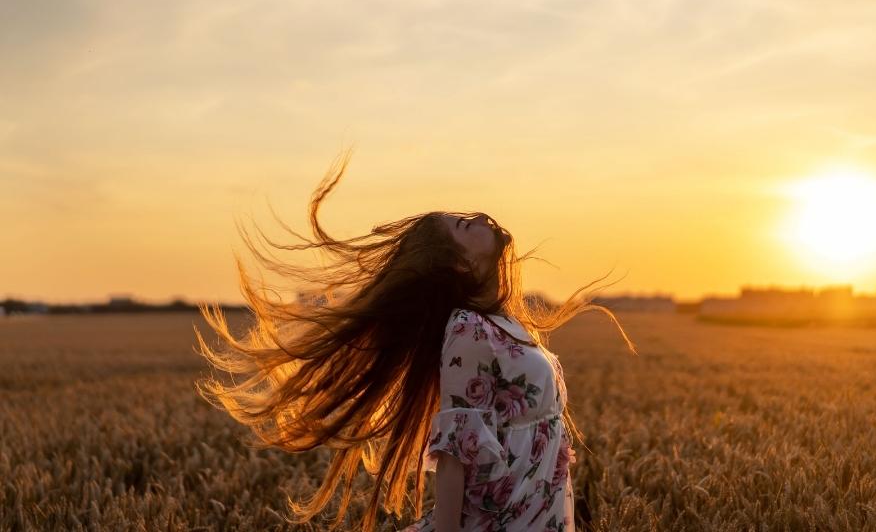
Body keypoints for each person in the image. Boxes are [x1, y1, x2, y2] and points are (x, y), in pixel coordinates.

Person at [194, 149, 638, 532]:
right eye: (465, 226)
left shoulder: (507, 322)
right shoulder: (467, 329)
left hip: (537, 512)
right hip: (501, 518)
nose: (480, 217)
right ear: (460, 266)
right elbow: (456, 447)